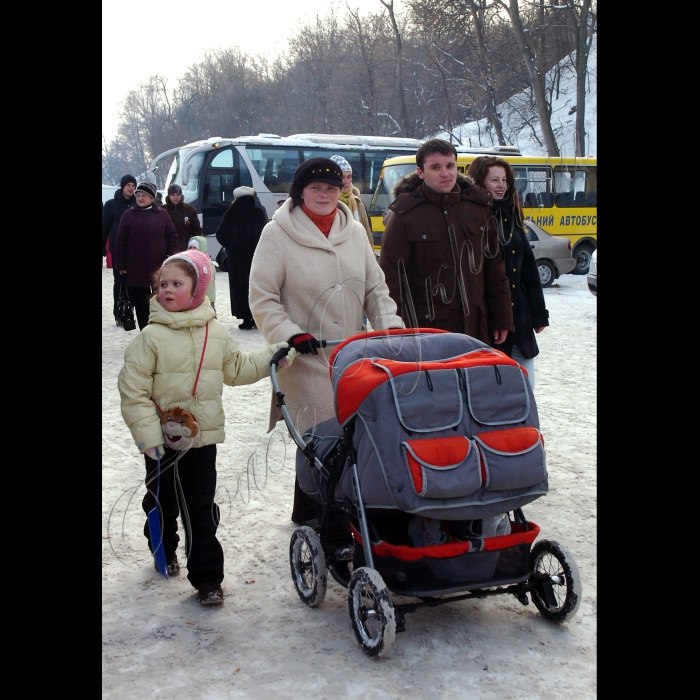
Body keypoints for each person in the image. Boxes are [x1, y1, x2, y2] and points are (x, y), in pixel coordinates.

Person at [118, 249, 297, 605]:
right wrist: (150, 439)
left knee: (200, 507)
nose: (167, 289)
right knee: (162, 499)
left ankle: (208, 578)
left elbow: (235, 368)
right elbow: (133, 391)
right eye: (163, 284)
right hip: (161, 440)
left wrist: (276, 354)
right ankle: (164, 546)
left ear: (198, 289)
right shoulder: (149, 338)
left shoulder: (215, 333)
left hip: (202, 439)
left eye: (177, 284)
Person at [248, 157, 404, 526]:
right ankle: (321, 518)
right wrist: (289, 334)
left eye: (331, 188)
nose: (324, 194)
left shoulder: (354, 233)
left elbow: (375, 288)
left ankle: (327, 511)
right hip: (305, 359)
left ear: (341, 192)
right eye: (315, 188)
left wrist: (390, 328)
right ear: (300, 192)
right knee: (323, 437)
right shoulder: (276, 234)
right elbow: (263, 297)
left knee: (356, 435)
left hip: (351, 353)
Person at [379, 139, 513, 347]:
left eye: (450, 166)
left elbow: (494, 269)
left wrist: (502, 317)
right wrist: (398, 329)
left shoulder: (478, 209)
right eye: (435, 167)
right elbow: (391, 280)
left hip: (476, 327)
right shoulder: (405, 216)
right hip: (427, 331)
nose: (445, 173)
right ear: (421, 172)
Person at [466, 156, 549, 389]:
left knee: (526, 386)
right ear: (479, 182)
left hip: (520, 315)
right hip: (488, 315)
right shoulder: (472, 218)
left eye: (504, 180)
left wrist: (539, 313)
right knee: (493, 387)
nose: (501, 185)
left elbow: (528, 267)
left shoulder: (512, 214)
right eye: (494, 180)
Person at [114, 182, 180, 331]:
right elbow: (120, 241)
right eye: (138, 195)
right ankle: (146, 332)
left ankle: (161, 329)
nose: (140, 198)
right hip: (136, 268)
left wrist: (174, 258)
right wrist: (121, 265)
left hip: (159, 268)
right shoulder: (128, 214)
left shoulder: (162, 214)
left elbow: (172, 236)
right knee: (141, 304)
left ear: (152, 197)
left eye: (144, 195)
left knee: (160, 300)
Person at [215, 186, 268, 330]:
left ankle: (246, 319)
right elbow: (265, 234)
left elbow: (221, 235)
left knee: (240, 288)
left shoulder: (232, 212)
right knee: (256, 287)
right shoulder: (259, 211)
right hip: (256, 257)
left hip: (237, 259)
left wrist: (232, 245)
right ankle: (258, 318)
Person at [102, 175, 138, 322]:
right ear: (122, 186)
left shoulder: (138, 204)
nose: (131, 188)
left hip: (136, 250)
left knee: (134, 282)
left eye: (133, 185)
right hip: (118, 250)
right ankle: (119, 311)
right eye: (128, 185)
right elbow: (104, 227)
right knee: (119, 281)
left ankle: (131, 310)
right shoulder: (111, 205)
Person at [329, 154, 374, 250]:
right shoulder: (327, 204)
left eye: (349, 177)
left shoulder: (358, 203)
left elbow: (367, 236)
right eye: (342, 177)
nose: (346, 181)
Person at [163, 183, 204, 251]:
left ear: (181, 195)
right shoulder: (163, 210)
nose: (176, 197)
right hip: (167, 248)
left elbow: (197, 231)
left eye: (178, 195)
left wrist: (196, 246)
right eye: (173, 195)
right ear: (169, 196)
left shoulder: (190, 210)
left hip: (185, 248)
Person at [187, 236, 217, 315]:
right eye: (190, 247)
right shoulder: (187, 261)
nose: (192, 249)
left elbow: (211, 273)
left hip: (208, 295)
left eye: (195, 247)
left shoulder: (207, 261)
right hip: (194, 296)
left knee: (210, 313)